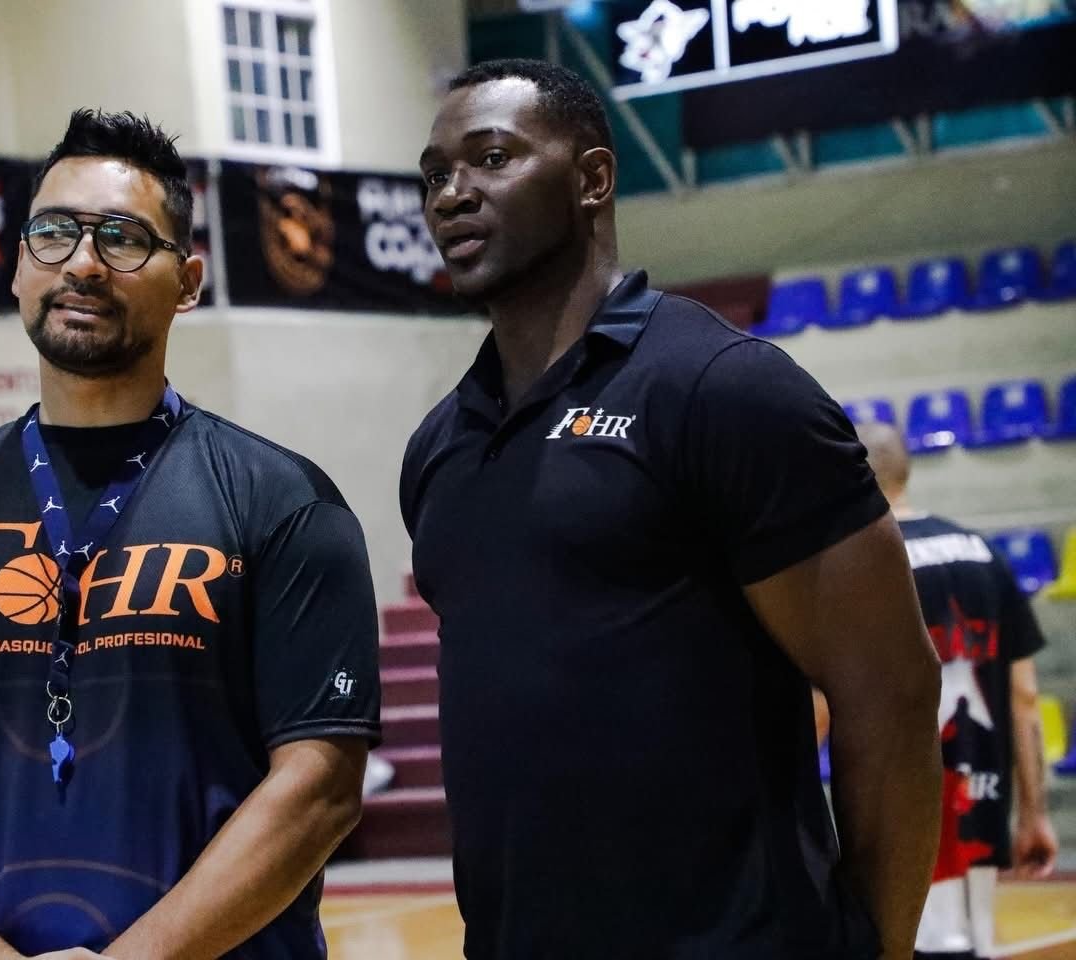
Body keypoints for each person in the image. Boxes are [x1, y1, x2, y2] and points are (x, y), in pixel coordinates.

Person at [401, 58, 942, 959]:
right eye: (434, 175)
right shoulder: (440, 447)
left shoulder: (725, 389)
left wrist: (880, 949)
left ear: (592, 179)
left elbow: (892, 693)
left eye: (492, 159)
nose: (452, 194)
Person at [0, 109, 381, 960]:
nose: (83, 263)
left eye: (123, 239)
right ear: (19, 265)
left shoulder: (285, 504)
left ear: (188, 281)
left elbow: (319, 790)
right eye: (54, 234)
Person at [853, 422, 1058, 960]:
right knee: (975, 944)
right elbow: (1025, 699)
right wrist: (1034, 813)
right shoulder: (983, 553)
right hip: (982, 802)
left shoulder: (865, 564)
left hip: (904, 814)